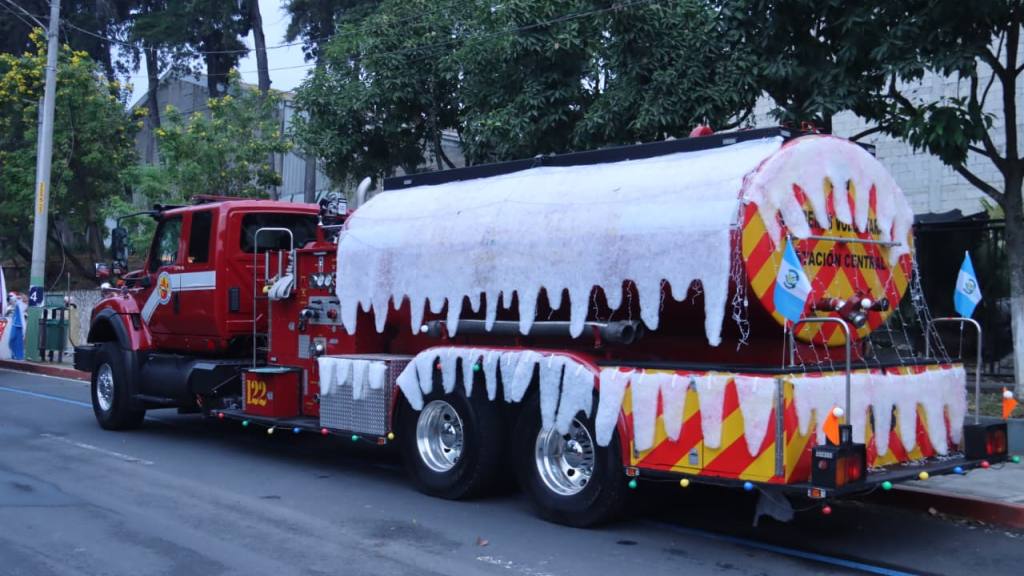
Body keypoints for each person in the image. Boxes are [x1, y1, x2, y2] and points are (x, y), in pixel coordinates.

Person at [7, 292, 25, 360]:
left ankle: (19, 356)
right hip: (14, 324)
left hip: (19, 325)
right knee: (12, 339)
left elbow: (14, 300)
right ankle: (14, 354)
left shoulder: (19, 303)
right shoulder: (11, 306)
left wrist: (19, 298)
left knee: (19, 341)